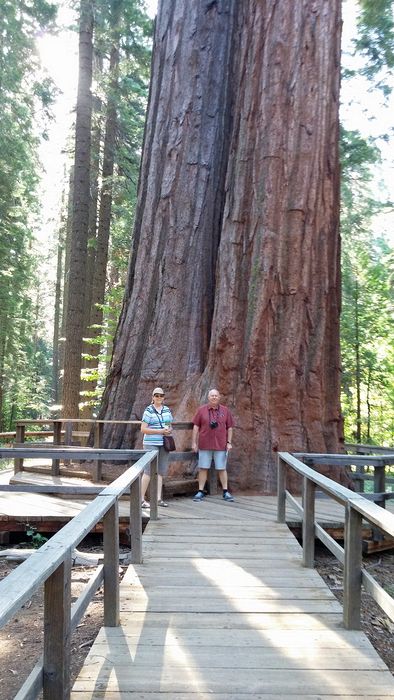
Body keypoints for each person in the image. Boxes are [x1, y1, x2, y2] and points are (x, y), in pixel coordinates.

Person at [191, 388, 234, 502]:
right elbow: (196, 427)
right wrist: (194, 442)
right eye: (212, 395)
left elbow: (229, 427)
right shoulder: (201, 410)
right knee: (203, 468)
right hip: (204, 444)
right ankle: (200, 491)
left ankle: (225, 492)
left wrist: (229, 442)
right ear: (208, 397)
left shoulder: (225, 411)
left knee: (222, 468)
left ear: (219, 397)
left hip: (221, 445)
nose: (214, 397)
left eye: (216, 395)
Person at [140, 387, 173, 508]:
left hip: (164, 443)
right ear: (152, 397)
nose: (159, 398)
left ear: (164, 397)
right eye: (156, 395)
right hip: (151, 443)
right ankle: (141, 499)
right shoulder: (148, 410)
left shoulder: (166, 410)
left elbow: (169, 425)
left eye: (161, 395)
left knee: (160, 471)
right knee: (148, 471)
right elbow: (143, 429)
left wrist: (168, 430)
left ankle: (158, 498)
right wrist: (159, 431)